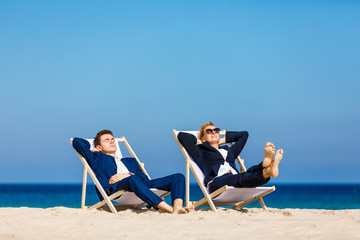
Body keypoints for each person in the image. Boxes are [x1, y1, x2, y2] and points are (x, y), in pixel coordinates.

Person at [72, 129, 191, 214]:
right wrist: (92, 148)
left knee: (178, 177)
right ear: (99, 147)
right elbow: (77, 142)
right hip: (115, 190)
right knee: (132, 180)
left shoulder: (131, 161)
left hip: (139, 185)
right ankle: (170, 210)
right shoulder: (96, 158)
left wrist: (128, 174)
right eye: (107, 140)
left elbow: (144, 180)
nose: (112, 141)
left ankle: (178, 207)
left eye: (113, 139)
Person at [177, 122, 283, 193]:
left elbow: (244, 135)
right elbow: (182, 136)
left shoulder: (228, 151)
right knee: (242, 177)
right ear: (203, 138)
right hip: (217, 182)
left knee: (247, 173)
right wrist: (199, 142)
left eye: (216, 130)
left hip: (235, 178)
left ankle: (266, 167)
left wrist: (221, 140)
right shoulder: (200, 152)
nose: (214, 132)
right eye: (209, 131)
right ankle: (266, 168)